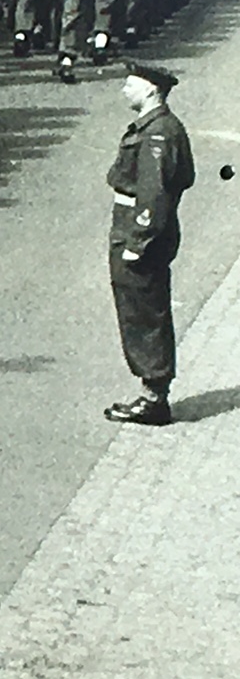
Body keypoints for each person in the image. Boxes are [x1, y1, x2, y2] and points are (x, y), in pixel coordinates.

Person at [104, 61, 194, 427]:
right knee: (139, 307)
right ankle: (153, 390)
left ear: (151, 91)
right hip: (134, 226)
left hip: (139, 232)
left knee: (144, 311)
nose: (125, 89)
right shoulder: (158, 128)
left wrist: (137, 241)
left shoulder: (159, 134)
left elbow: (154, 194)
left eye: (132, 84)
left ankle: (154, 397)